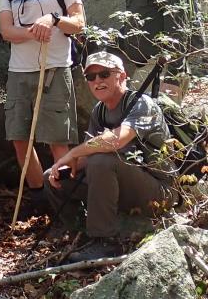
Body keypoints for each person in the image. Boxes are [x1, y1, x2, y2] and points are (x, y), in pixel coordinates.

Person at [44, 52, 175, 262]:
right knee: (53, 175)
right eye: (91, 77)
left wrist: (73, 152)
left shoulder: (141, 104)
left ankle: (105, 242)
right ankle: (77, 229)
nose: (97, 81)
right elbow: (89, 153)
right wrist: (67, 164)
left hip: (158, 192)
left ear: (122, 76)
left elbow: (116, 141)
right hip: (119, 183)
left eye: (104, 74)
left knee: (102, 161)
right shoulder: (100, 111)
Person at [0, 0, 84, 206]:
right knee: (20, 139)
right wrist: (35, 30)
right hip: (19, 70)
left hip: (55, 67)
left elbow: (79, 23)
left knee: (58, 139)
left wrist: (54, 20)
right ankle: (40, 200)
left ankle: (69, 204)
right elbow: (6, 31)